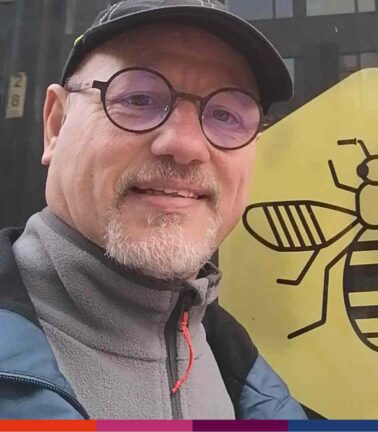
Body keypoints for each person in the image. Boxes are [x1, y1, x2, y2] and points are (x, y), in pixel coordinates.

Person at [0, 0, 307, 420]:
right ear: (56, 124)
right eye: (139, 98)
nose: (185, 146)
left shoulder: (247, 378)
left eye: (225, 114)